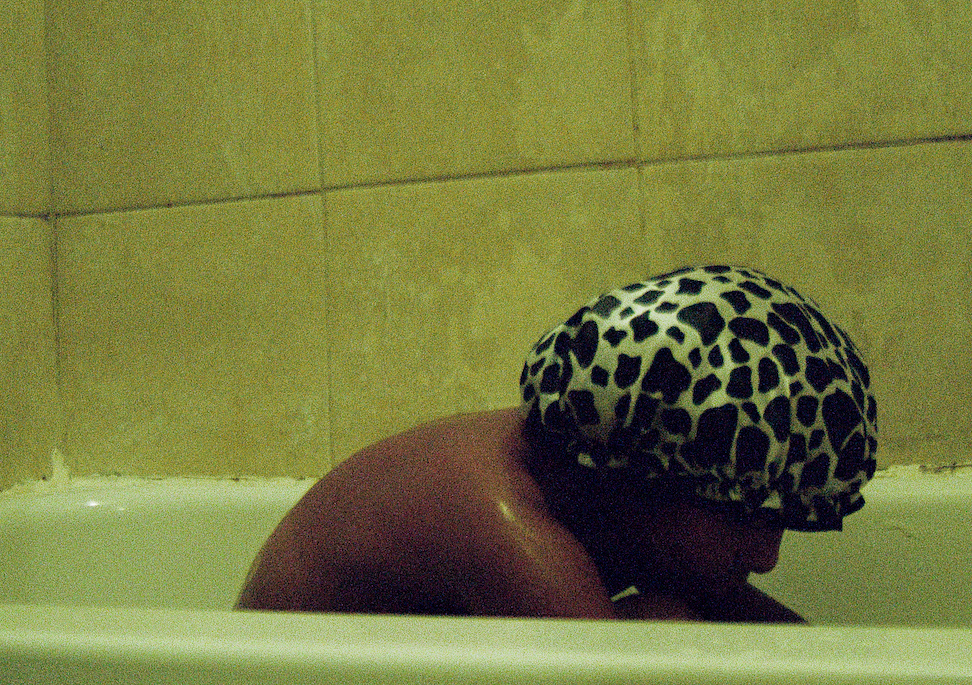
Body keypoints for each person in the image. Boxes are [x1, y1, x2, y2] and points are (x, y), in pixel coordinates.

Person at [236, 265, 877, 622]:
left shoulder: (605, 478)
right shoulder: (505, 526)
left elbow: (757, 624)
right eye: (744, 516)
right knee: (665, 621)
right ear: (640, 471)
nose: (766, 556)